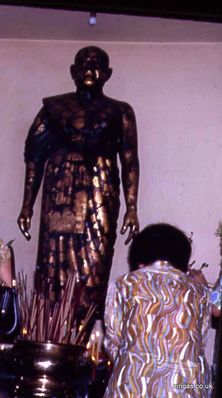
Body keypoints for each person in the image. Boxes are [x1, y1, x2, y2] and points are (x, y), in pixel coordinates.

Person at [17, 46, 139, 338]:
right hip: (61, 190)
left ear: (107, 75)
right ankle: (50, 334)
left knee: (95, 264)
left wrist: (132, 206)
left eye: (97, 65)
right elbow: (34, 157)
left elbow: (130, 160)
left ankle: (87, 338)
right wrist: (27, 206)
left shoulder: (120, 110)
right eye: (83, 64)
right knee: (52, 263)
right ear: (72, 71)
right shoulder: (54, 108)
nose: (89, 69)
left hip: (101, 190)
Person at [103, 223, 214, 397]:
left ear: (140, 261)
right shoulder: (200, 292)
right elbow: (200, 342)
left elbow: (113, 341)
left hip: (132, 385)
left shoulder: (124, 284)